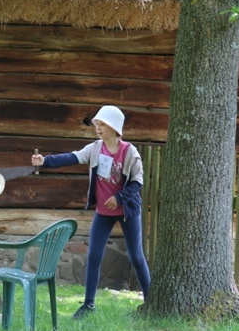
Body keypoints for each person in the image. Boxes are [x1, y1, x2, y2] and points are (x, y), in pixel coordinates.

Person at [31, 105, 150, 319]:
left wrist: (119, 198)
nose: (98, 128)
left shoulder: (129, 151)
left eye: (102, 124)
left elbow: (137, 183)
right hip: (104, 212)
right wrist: (45, 161)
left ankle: (151, 303)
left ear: (115, 128)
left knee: (136, 256)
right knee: (94, 255)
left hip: (127, 211)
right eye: (97, 124)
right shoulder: (95, 149)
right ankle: (88, 304)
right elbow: (72, 157)